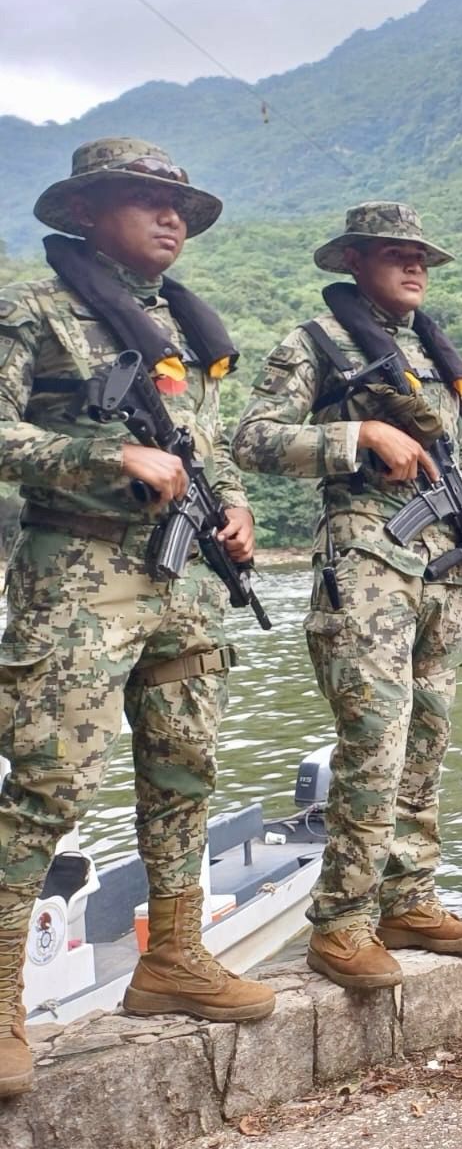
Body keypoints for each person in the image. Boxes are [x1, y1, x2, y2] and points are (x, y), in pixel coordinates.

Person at [0, 138, 275, 1095]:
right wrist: (105, 459)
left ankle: (172, 960)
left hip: (184, 577)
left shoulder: (172, 326)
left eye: (181, 208)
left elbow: (202, 443)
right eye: (144, 201)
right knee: (47, 784)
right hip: (75, 571)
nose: (171, 220)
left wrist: (234, 505)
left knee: (184, 766)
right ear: (82, 212)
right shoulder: (31, 311)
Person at [234, 203, 462, 989]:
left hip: (443, 570)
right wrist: (358, 439)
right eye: (396, 254)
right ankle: (342, 922)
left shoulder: (429, 355)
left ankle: (408, 898)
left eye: (422, 255)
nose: (416, 266)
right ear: (353, 260)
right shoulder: (315, 343)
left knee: (428, 739)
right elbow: (252, 440)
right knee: (374, 742)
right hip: (366, 562)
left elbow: (454, 463)